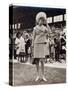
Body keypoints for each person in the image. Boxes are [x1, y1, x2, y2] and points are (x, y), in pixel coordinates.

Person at [32, 12, 51, 81]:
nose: (41, 21)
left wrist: (47, 23)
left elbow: (49, 32)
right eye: (41, 20)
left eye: (43, 20)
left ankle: (43, 76)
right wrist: (32, 45)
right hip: (36, 44)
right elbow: (33, 37)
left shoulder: (45, 27)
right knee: (37, 61)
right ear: (38, 20)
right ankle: (37, 75)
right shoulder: (35, 28)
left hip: (42, 44)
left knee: (42, 61)